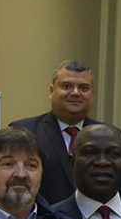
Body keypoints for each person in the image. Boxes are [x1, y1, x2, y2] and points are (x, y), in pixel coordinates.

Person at [9, 60, 105, 206]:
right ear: (51, 91)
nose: (75, 93)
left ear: (92, 94)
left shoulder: (108, 136)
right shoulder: (24, 132)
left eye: (83, 88)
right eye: (66, 86)